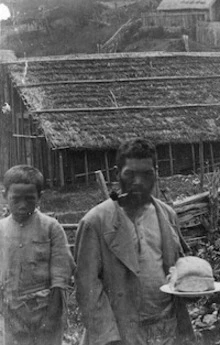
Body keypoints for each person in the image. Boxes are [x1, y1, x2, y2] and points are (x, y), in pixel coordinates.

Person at [75, 138, 193, 345]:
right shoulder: (96, 222)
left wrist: (192, 287)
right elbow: (87, 289)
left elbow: (179, 269)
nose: (138, 182)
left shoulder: (167, 215)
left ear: (156, 173)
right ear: (116, 174)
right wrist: (109, 338)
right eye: (130, 174)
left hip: (167, 328)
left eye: (147, 174)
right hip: (120, 333)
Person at [0, 165, 74, 345]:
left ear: (39, 197)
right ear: (4, 196)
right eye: (16, 199)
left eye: (30, 199)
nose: (23, 205)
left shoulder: (51, 227)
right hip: (12, 311)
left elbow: (60, 276)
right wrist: (8, 317)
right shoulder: (1, 230)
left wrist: (50, 318)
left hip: (46, 309)